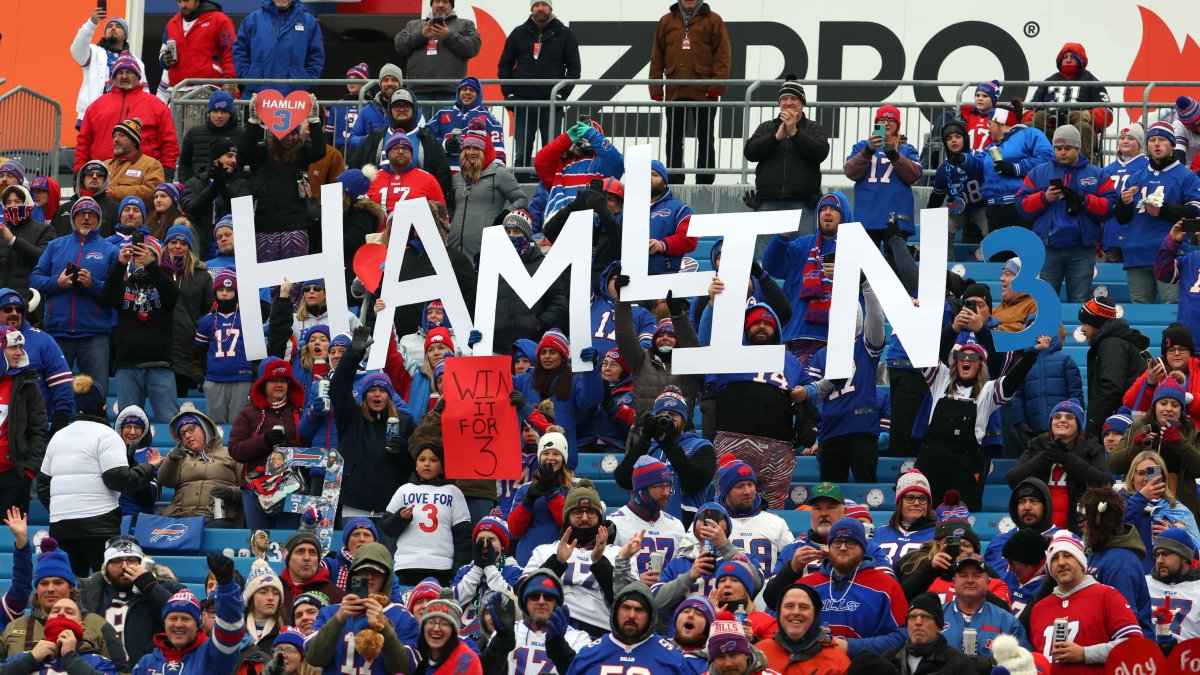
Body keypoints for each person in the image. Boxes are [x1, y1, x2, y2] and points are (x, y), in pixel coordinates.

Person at [38, 375, 163, 578]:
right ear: (104, 406)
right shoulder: (107, 435)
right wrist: (149, 467)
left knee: (69, 588)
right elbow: (119, 479)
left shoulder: (58, 436)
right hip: (99, 525)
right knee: (107, 587)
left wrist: (61, 510)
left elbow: (43, 485)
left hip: (62, 526)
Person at [917, 334, 1048, 511]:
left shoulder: (988, 390)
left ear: (981, 364)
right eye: (962, 356)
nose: (967, 360)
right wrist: (953, 329)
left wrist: (1032, 354)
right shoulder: (941, 378)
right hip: (930, 464)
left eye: (973, 357)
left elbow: (1012, 381)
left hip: (963, 469)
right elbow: (928, 355)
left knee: (962, 520)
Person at [779, 517, 907, 658]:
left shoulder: (886, 586)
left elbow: (903, 636)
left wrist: (850, 647)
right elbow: (782, 628)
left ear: (863, 548)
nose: (843, 547)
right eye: (837, 542)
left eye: (851, 542)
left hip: (863, 667)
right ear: (829, 546)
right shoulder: (806, 586)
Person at [1014, 125, 1113, 301]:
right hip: (1048, 248)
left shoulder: (1098, 174)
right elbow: (1021, 206)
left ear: (1077, 148)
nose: (1062, 153)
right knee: (1044, 301)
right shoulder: (1038, 172)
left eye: (1067, 148)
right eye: (1058, 148)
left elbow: (1110, 207)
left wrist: (1084, 201)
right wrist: (1044, 198)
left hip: (1082, 249)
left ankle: (1078, 331)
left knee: (1080, 301)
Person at [0, 539, 126, 669]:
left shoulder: (98, 625)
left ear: (71, 587)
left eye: (58, 583)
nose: (50, 588)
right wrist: (30, 659)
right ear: (36, 589)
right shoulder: (14, 627)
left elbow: (122, 672)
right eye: (44, 583)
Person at [1028, 532, 1142, 670]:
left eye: (1068, 556)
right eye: (1055, 559)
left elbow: (1134, 646)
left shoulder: (1107, 596)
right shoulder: (1039, 608)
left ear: (1082, 563)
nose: (1061, 562)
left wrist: (1085, 653)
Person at [807, 282, 885, 483]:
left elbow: (876, 318)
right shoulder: (821, 355)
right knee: (830, 494)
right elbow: (812, 398)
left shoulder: (865, 346)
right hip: (830, 432)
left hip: (861, 429)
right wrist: (814, 436)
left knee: (867, 490)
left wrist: (868, 287)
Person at [1116, 122, 1200, 303]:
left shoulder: (1187, 177)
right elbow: (1121, 219)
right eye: (1152, 140)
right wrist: (1124, 203)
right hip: (1136, 254)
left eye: (1162, 139)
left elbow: (1195, 213)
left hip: (1170, 255)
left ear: (1172, 144)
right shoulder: (1135, 177)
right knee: (1139, 314)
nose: (1156, 144)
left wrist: (1164, 210)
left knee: (1171, 310)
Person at [649, 0, 730, 186]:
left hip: (705, 92)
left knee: (706, 137)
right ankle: (675, 179)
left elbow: (723, 56)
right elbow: (657, 56)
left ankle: (705, 179)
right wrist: (656, 88)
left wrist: (715, 86)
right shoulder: (666, 21)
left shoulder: (714, 20)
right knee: (674, 138)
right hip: (675, 90)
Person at [100, 236, 180, 423]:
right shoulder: (123, 284)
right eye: (138, 255)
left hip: (160, 365)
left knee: (171, 422)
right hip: (127, 366)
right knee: (128, 424)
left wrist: (153, 266)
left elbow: (173, 296)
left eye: (148, 254)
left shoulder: (163, 282)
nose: (142, 258)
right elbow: (106, 298)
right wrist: (120, 264)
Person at [304, 542, 417, 675]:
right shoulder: (330, 613)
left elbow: (405, 668)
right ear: (353, 574)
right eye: (363, 571)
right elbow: (314, 657)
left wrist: (385, 628)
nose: (369, 577)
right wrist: (338, 619)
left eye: (376, 572)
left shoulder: (403, 618)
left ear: (386, 577)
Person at [498, 2, 581, 181]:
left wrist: (561, 94)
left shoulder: (565, 34)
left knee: (552, 152)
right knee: (521, 154)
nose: (540, 8)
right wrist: (509, 94)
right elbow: (504, 64)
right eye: (536, 5)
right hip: (523, 103)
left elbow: (574, 69)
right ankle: (520, 190)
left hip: (551, 104)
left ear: (550, 8)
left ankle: (550, 189)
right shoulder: (518, 33)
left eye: (544, 4)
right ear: (531, 8)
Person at [525, 480, 617, 636]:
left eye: (591, 513)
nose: (585, 518)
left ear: (601, 518)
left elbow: (626, 600)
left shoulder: (617, 553)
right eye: (577, 513)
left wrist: (600, 562)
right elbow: (524, 591)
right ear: (567, 517)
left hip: (598, 630)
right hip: (549, 627)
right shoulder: (545, 551)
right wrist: (556, 563)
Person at [242, 93, 325, 261]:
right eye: (285, 134)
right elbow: (247, 151)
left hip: (296, 223)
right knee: (267, 278)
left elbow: (319, 151)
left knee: (294, 277)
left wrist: (315, 121)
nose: (289, 138)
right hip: (266, 223)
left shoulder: (303, 151)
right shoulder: (266, 150)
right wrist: (253, 122)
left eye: (293, 134)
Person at [615, 387, 716, 525]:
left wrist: (667, 442)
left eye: (673, 414)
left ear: (684, 419)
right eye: (662, 414)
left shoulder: (701, 446)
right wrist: (644, 439)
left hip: (685, 527)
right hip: (646, 525)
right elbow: (623, 480)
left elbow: (696, 481)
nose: (667, 418)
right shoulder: (648, 447)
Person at [77, 535, 182, 665]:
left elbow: (185, 615)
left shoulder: (166, 586)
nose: (124, 566)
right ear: (106, 565)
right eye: (116, 561)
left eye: (132, 560)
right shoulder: (87, 591)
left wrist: (150, 587)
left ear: (142, 563)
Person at [380, 433, 470, 585]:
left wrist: (458, 569)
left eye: (433, 460)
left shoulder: (453, 492)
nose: (427, 464)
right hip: (408, 566)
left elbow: (463, 536)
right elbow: (387, 528)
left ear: (442, 467)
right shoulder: (404, 490)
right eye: (422, 460)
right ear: (415, 465)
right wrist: (400, 519)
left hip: (442, 567)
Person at [132, 555, 246, 674]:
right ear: (164, 623)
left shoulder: (212, 656)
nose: (178, 624)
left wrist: (227, 587)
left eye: (186, 619)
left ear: (197, 624)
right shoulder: (146, 663)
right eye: (173, 618)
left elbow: (230, 630)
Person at [1007, 399, 1110, 531]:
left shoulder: (1091, 448)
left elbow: (1104, 483)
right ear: (1051, 423)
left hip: (1078, 530)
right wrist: (1045, 457)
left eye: (1069, 417)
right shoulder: (1037, 445)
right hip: (1038, 531)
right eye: (1057, 416)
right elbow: (1013, 479)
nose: (1062, 420)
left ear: (1078, 425)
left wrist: (1066, 458)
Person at [228, 359, 306, 530]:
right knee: (259, 544)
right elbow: (235, 450)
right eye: (273, 380)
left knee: (288, 542)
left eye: (283, 380)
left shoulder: (300, 411)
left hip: (291, 487)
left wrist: (290, 447)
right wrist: (265, 440)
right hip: (255, 488)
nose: (279, 384)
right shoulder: (248, 412)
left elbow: (311, 447)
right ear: (262, 383)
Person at [743, 78, 830, 230]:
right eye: (784, 99)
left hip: (803, 205)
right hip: (767, 204)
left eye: (794, 98)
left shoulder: (814, 128)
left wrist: (795, 133)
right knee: (765, 254)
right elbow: (750, 152)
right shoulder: (766, 127)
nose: (788, 102)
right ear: (779, 103)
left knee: (802, 253)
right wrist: (775, 138)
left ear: (802, 103)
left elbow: (821, 153)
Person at [77, 56, 178, 180]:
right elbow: (84, 142)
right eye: (120, 72)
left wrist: (168, 169)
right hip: (101, 174)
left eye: (129, 72)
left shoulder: (156, 105)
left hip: (143, 175)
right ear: (113, 77)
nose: (124, 76)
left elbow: (169, 142)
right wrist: (79, 170)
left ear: (138, 76)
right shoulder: (96, 106)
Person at [483, 568, 590, 675]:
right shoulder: (508, 631)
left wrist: (561, 648)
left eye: (548, 597)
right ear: (524, 602)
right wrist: (501, 642)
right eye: (534, 596)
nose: (541, 601)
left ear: (557, 602)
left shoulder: (578, 638)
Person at [563, 582, 688, 674]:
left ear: (650, 616)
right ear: (615, 612)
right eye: (626, 608)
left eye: (639, 609)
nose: (631, 615)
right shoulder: (588, 655)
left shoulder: (673, 659)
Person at [1079, 487, 1154, 638]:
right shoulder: (1096, 552)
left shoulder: (1120, 563)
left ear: (1099, 519)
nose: (1080, 523)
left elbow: (1125, 624)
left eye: (1084, 517)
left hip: (1128, 654)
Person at [843, 105, 921, 238]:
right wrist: (868, 151)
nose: (886, 123)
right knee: (867, 258)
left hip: (897, 216)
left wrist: (894, 154)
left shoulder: (907, 149)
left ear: (897, 125)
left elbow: (915, 175)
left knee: (895, 258)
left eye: (891, 120)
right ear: (876, 124)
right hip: (868, 216)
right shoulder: (862, 146)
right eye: (882, 120)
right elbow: (850, 172)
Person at [1028, 43, 1114, 163]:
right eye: (1065, 57)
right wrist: (1039, 116)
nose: (1068, 60)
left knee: (1083, 127)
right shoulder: (1048, 82)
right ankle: (1030, 170)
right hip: (1050, 128)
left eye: (1073, 57)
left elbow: (1107, 113)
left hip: (1077, 130)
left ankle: (1085, 173)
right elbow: (1027, 111)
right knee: (1027, 128)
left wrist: (1086, 115)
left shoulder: (1092, 82)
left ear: (1080, 60)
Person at [158, 405, 243, 525]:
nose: (187, 436)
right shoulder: (180, 457)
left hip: (216, 517)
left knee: (218, 527)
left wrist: (231, 493)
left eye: (191, 429)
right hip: (180, 517)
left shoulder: (231, 454)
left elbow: (249, 490)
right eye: (182, 434)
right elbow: (164, 480)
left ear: (205, 428)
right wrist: (171, 460)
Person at [448, 133, 528, 260]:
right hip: (454, 248)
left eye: (476, 148)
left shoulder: (499, 174)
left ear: (485, 150)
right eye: (467, 148)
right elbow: (451, 207)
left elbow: (522, 199)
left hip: (485, 248)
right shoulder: (457, 178)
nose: (471, 152)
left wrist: (504, 216)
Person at [1078, 297, 1151, 436]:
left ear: (1097, 323)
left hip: (1118, 428)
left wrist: (1093, 428)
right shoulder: (1115, 342)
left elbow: (1111, 389)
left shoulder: (1112, 345)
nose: (1082, 329)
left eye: (1085, 323)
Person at [979, 99, 1055, 232]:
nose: (988, 129)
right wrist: (962, 159)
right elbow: (976, 163)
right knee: (999, 252)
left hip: (1021, 205)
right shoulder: (991, 147)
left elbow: (1048, 159)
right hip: (994, 209)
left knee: (1022, 251)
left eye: (990, 124)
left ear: (999, 122)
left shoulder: (1029, 134)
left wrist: (1016, 168)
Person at [1120, 450, 1200, 573]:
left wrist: (1175, 537)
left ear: (1162, 477)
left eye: (1152, 473)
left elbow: (1196, 554)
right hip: (1134, 577)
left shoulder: (1177, 510)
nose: (1147, 479)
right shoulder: (1120, 503)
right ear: (1132, 476)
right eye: (1141, 473)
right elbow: (1113, 530)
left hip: (1169, 583)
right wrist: (1141, 499)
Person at [609, 456, 687, 580]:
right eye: (659, 486)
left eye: (668, 485)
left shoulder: (676, 525)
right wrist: (637, 582)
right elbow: (606, 576)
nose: (666, 492)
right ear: (641, 490)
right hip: (629, 596)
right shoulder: (615, 523)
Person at [393, 0, 481, 109]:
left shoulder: (465, 25)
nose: (440, 5)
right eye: (437, 1)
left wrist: (449, 35)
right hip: (418, 91)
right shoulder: (413, 25)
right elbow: (399, 46)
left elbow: (473, 48)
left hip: (450, 92)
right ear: (431, 4)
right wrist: (421, 35)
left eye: (445, 2)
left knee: (448, 126)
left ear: (452, 5)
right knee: (421, 126)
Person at [507, 429, 577, 565]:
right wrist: (528, 501)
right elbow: (514, 531)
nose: (550, 458)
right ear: (540, 457)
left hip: (562, 562)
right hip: (528, 563)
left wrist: (552, 494)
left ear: (563, 458)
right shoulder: (525, 489)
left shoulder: (574, 489)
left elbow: (573, 526)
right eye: (545, 453)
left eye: (556, 453)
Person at [940, 553, 1030, 658]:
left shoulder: (1007, 622)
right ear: (954, 581)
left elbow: (1024, 663)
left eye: (977, 575)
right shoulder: (937, 616)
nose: (970, 580)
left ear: (988, 581)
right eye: (963, 575)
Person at [0, 597, 119, 675]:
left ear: (82, 627)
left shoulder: (99, 662)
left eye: (69, 612)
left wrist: (70, 658)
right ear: (47, 623)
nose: (61, 613)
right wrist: (31, 659)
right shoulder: (23, 658)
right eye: (55, 611)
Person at [535, 120, 624, 224]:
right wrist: (566, 138)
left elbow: (617, 162)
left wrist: (591, 134)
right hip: (557, 221)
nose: (584, 137)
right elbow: (540, 161)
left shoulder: (602, 163)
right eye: (580, 133)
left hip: (591, 222)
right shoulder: (560, 163)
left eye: (587, 133)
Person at [70, 6, 146, 126]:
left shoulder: (136, 62)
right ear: (105, 33)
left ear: (125, 36)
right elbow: (76, 49)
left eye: (118, 26)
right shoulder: (93, 52)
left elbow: (144, 90)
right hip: (92, 116)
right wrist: (91, 23)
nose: (113, 28)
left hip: (124, 118)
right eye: (110, 26)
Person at [232, 0, 323, 98]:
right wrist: (248, 77)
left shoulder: (308, 22)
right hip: (256, 95)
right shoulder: (253, 20)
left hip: (295, 98)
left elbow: (316, 57)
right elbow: (240, 52)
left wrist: (305, 81)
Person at [0, 327, 47, 516]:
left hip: (14, 476)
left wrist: (28, 472)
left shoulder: (27, 384)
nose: (19, 352)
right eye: (13, 347)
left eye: (20, 347)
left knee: (12, 539)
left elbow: (38, 429)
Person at [880, 593, 986, 675]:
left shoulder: (959, 664)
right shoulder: (890, 659)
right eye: (912, 617)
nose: (918, 622)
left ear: (939, 627)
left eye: (925, 616)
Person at [985, 477, 1060, 593]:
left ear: (1046, 505)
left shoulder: (1064, 541)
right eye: (1021, 502)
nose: (1027, 507)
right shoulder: (998, 542)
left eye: (1034, 501)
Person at [757, 581, 850, 674]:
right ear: (780, 612)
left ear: (815, 614)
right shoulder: (758, 653)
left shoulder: (838, 662)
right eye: (789, 606)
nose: (796, 612)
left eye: (804, 607)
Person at [1010, 330, 1083, 444]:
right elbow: (1017, 396)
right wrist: (1020, 422)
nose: (1040, 335)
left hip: (1063, 429)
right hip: (1033, 430)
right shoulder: (1023, 364)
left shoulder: (1065, 360)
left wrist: (1076, 419)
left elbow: (1076, 393)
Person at [157, 0, 236, 103]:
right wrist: (165, 59)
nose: (183, 5)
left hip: (207, 89)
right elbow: (163, 51)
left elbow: (230, 52)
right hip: (178, 90)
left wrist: (229, 80)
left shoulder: (219, 20)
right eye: (179, 1)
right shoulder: (172, 23)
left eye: (186, 0)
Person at [181, 143, 251, 258]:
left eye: (235, 157)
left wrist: (224, 187)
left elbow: (243, 211)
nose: (234, 160)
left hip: (232, 254)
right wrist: (213, 189)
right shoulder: (195, 183)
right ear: (215, 159)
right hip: (200, 252)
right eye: (229, 156)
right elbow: (189, 208)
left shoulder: (242, 184)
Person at [928, 120, 989, 251]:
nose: (953, 141)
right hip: (957, 207)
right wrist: (928, 214)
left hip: (981, 205)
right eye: (949, 138)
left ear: (965, 139)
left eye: (958, 136)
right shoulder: (944, 168)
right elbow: (937, 196)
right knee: (943, 231)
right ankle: (945, 266)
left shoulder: (979, 157)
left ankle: (991, 264)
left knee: (990, 230)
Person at [427, 78, 507, 171]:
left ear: (478, 94)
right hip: (445, 174)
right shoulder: (443, 113)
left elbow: (498, 153)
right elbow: (424, 140)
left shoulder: (488, 117)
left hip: (475, 176)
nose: (467, 92)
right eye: (464, 89)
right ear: (458, 92)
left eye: (472, 90)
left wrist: (490, 176)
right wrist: (444, 144)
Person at [1099, 124, 1147, 262]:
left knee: (1133, 268)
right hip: (1112, 226)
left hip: (1134, 226)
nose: (1125, 141)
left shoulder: (1146, 166)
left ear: (1139, 143)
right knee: (1113, 267)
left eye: (1131, 138)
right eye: (1122, 138)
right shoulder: (1109, 169)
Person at [367, 132, 447, 215]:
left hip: (414, 227)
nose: (401, 151)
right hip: (380, 227)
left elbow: (442, 215)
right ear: (387, 153)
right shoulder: (372, 178)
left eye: (405, 148)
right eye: (396, 148)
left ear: (412, 154)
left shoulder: (428, 179)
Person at [873, 470, 938, 567]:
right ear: (899, 502)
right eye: (910, 498)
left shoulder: (938, 535)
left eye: (922, 498)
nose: (916, 503)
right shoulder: (878, 533)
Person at [1146, 528, 1200, 642]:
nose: (1160, 560)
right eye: (1157, 554)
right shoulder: (1144, 583)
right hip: (1146, 655)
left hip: (1186, 656)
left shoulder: (1197, 588)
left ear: (1185, 557)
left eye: (1165, 554)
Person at [279, 531, 344, 624]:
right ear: (287, 558)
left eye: (312, 552)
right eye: (300, 552)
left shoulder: (336, 596)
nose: (306, 558)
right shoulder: (274, 590)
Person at [0, 186, 52, 294]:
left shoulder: (45, 230)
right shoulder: (1, 230)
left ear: (27, 203)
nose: (12, 206)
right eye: (8, 202)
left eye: (18, 201)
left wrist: (14, 241)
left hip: (30, 301)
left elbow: (45, 259)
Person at [347, 63, 404, 153]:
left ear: (400, 83)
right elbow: (353, 139)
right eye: (386, 80)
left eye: (394, 80)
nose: (390, 83)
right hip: (372, 162)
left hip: (399, 161)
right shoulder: (367, 110)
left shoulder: (409, 110)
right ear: (380, 83)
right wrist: (371, 140)